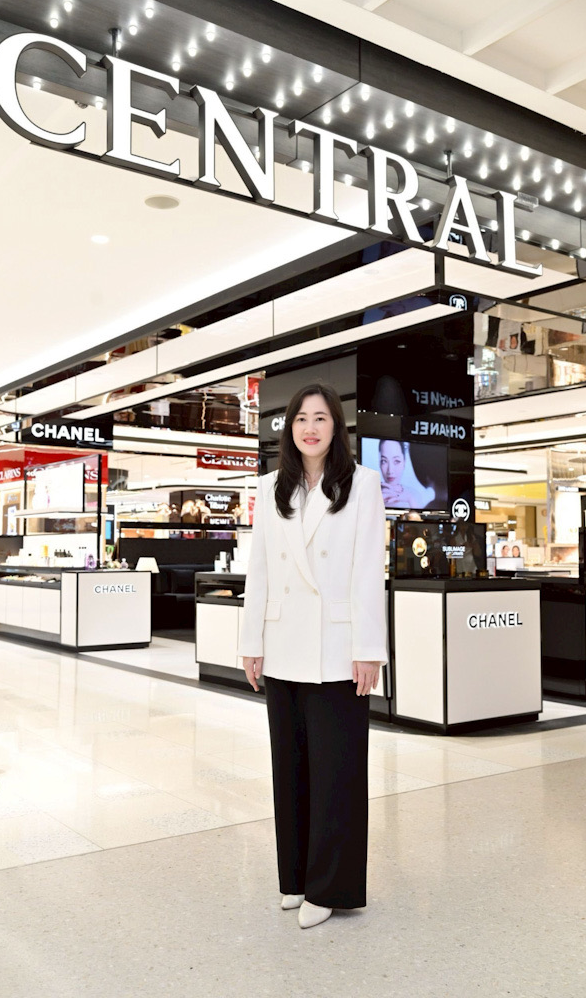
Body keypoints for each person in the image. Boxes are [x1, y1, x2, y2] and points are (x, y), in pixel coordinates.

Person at [239, 382, 387, 930]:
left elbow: (368, 571)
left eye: (320, 418)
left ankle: (330, 887)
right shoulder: (271, 487)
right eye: (301, 418)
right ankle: (296, 879)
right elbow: (259, 571)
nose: (309, 427)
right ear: (289, 428)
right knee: (291, 766)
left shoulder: (361, 483)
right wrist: (250, 642)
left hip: (337, 647)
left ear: (336, 427)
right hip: (282, 643)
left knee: (337, 771)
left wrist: (369, 649)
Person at [378, 439, 419, 508]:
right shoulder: (370, 493)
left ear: (404, 462)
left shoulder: (414, 495)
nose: (390, 470)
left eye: (396, 461)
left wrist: (410, 499)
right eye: (384, 461)